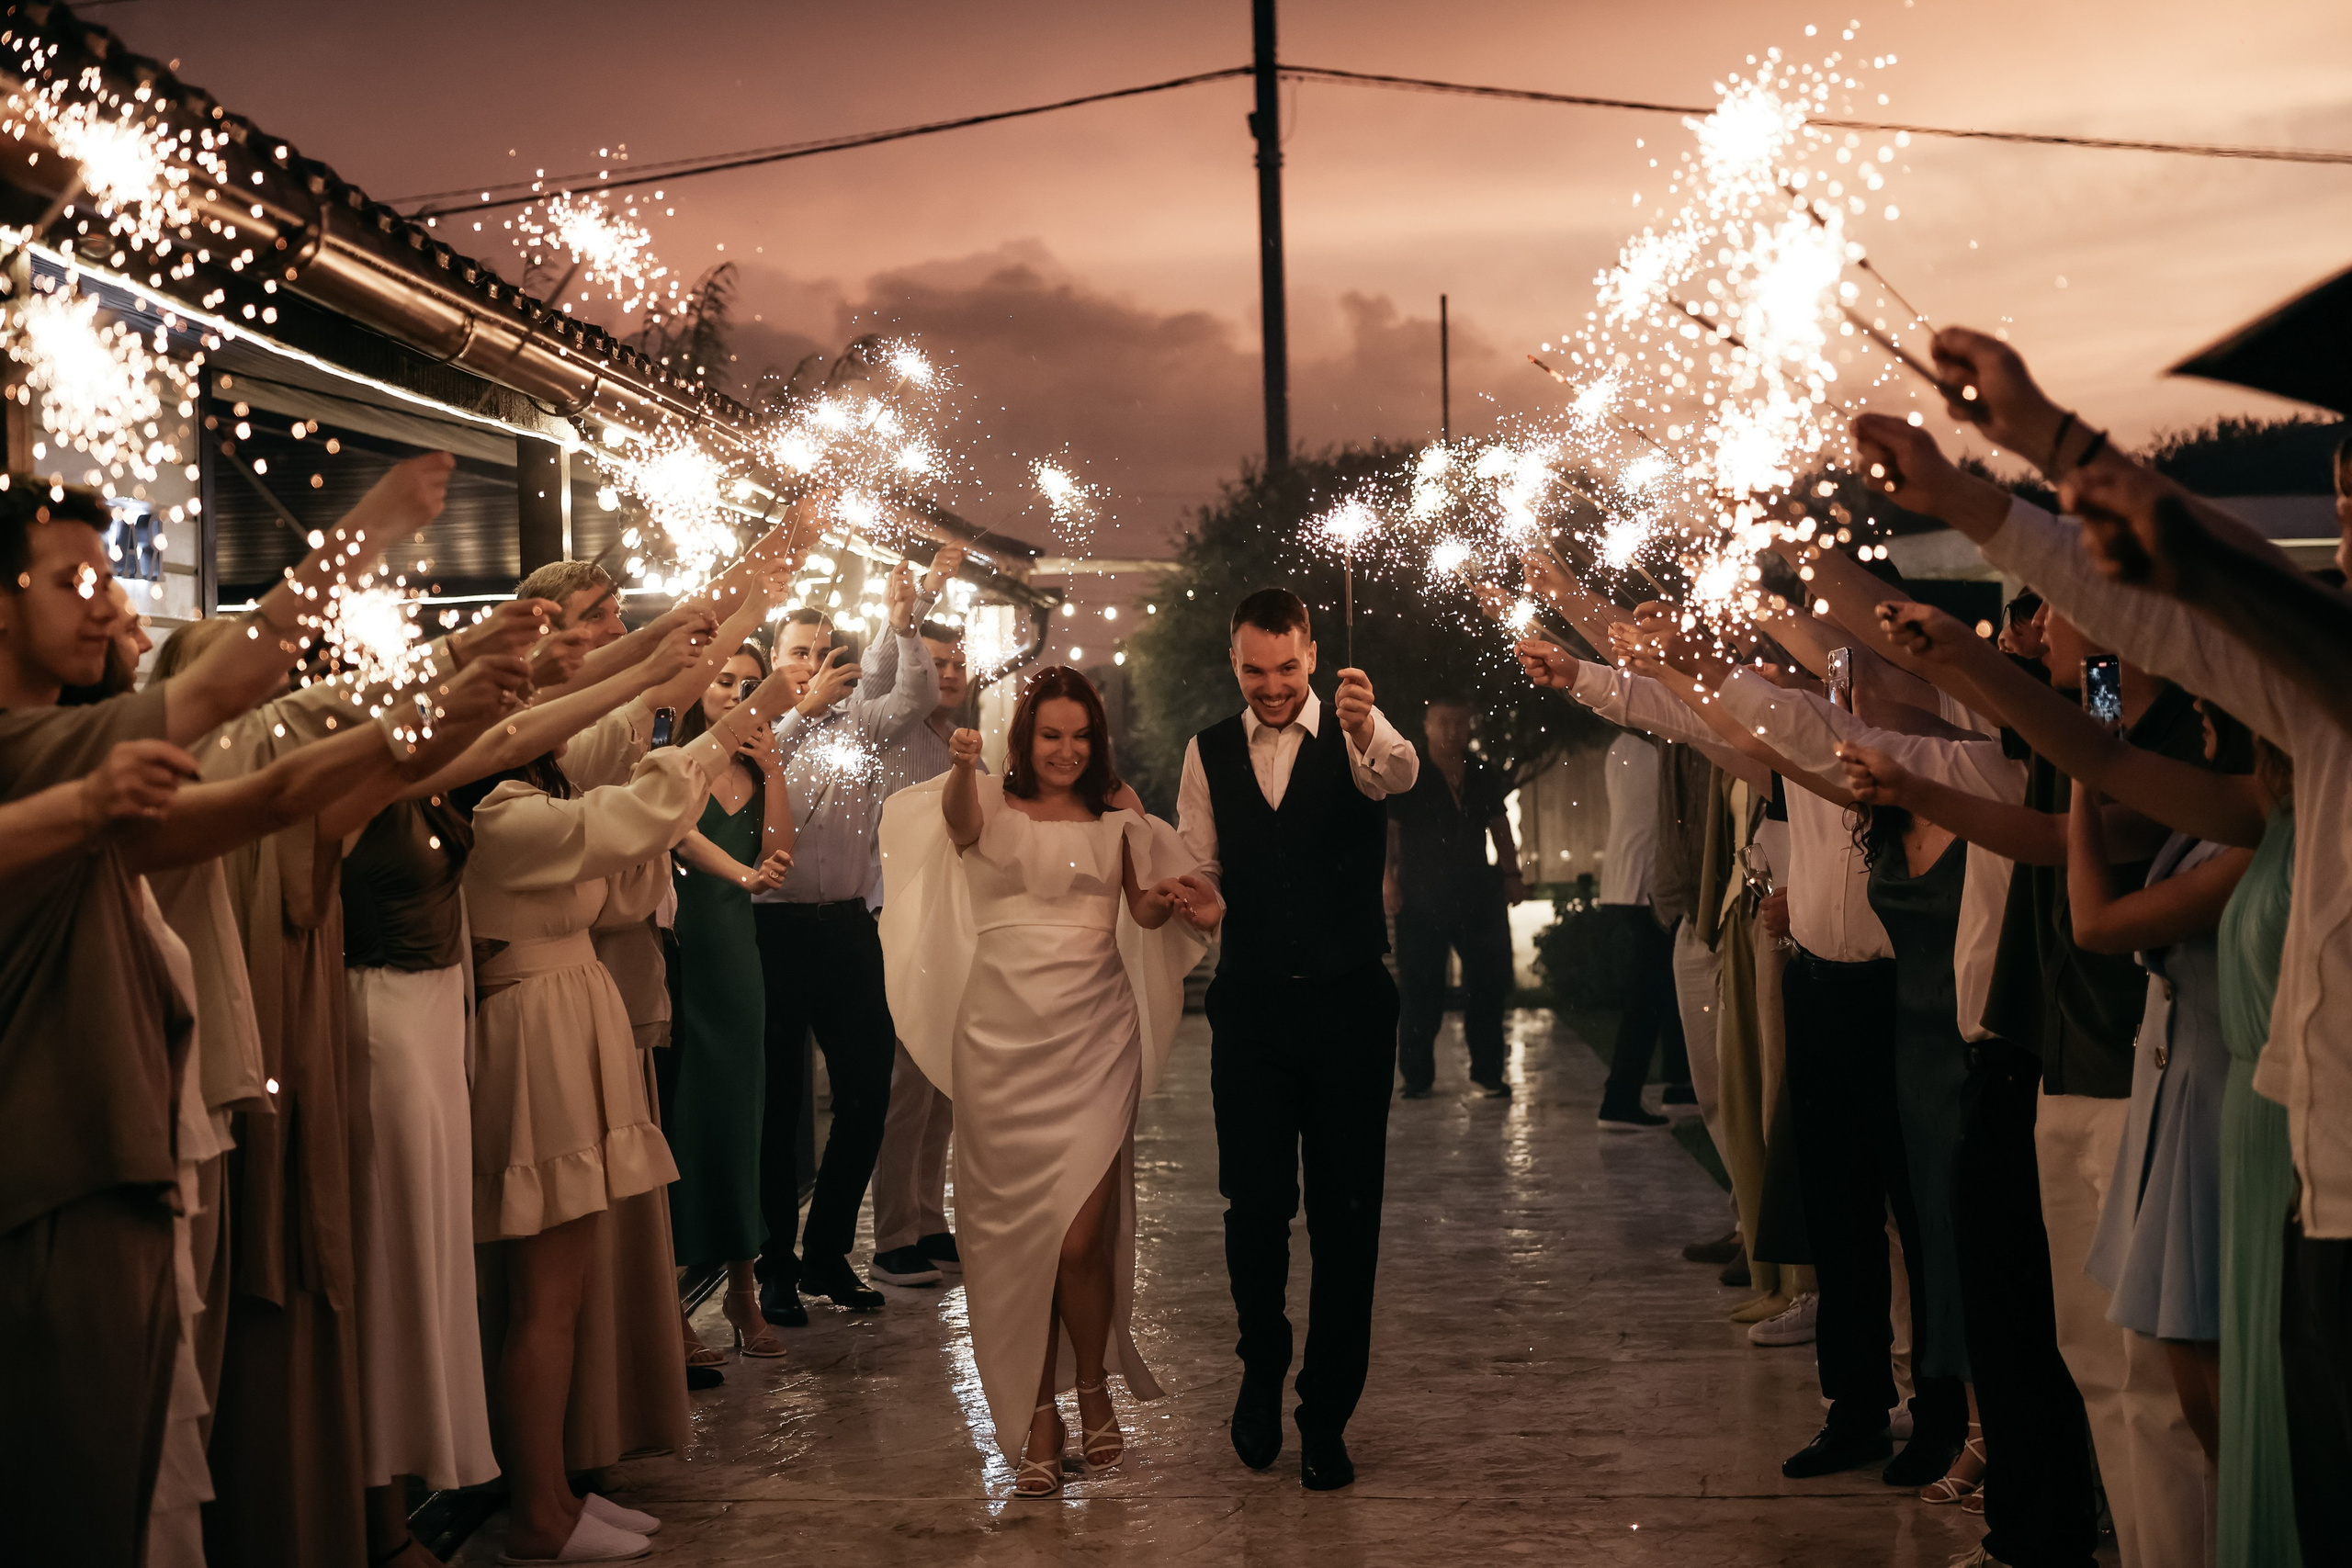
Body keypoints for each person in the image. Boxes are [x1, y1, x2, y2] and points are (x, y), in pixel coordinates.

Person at [1859, 354, 2352, 1565]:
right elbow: (2128, 729)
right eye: (2341, 514)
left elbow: (2218, 623)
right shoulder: (2308, 746)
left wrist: (2060, 446)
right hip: (2317, 1164)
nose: (2348, 540)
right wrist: (1982, 498)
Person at [460, 657, 793, 1565]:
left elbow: (632, 868)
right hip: (533, 1029)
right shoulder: (495, 809)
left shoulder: (541, 796)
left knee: (566, 1290)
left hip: (574, 1011)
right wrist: (723, 719)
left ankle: (558, 1491)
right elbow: (626, 817)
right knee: (542, 1294)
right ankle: (535, 1508)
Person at [878, 666, 1215, 1497]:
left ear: (1096, 741)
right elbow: (956, 827)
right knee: (1006, 1247)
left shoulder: (1119, 812)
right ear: (1024, 739)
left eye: (1081, 736)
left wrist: (1169, 904)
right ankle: (1035, 1416)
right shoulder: (987, 799)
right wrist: (962, 763)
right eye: (1051, 735)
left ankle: (1093, 1384)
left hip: (1097, 1038)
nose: (1067, 750)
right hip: (997, 1047)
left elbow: (1138, 907)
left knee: (1077, 1238)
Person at [1174, 587, 1418, 1490]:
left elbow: (1399, 775)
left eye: (1285, 668)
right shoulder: (1206, 752)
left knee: (1347, 1220)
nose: (1270, 686)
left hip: (1352, 1009)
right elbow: (1200, 864)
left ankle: (1325, 1415)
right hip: (1250, 1014)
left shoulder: (1356, 733)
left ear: (1309, 655)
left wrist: (1366, 724)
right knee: (1254, 1209)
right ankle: (1261, 1364)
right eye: (1253, 670)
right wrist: (1198, 902)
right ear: (1232, 663)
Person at [752, 562, 939, 1322]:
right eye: (799, 651)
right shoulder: (757, 729)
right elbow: (765, 800)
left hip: (848, 927)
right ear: (775, 660)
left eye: (826, 651)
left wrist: (903, 622)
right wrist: (801, 714)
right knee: (779, 1104)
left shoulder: (862, 716)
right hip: (772, 928)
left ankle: (827, 1252)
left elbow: (917, 695)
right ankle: (773, 1261)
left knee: (867, 1093)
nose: (813, 665)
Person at [666, 642, 795, 1357]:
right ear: (700, 691)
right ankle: (670, 1295)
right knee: (684, 1120)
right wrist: (748, 875)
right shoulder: (674, 764)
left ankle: (745, 1293)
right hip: (679, 958)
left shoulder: (756, 770)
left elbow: (781, 851)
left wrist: (774, 769)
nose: (740, 692)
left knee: (741, 1120)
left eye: (751, 683)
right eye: (726, 681)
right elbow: (678, 838)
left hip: (736, 962)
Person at [867, 544, 977, 1288]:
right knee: (907, 1085)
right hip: (897, 927)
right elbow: (897, 684)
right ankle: (891, 1232)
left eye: (956, 663)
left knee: (944, 1077)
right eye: (935, 663)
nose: (948, 672)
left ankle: (930, 1219)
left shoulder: (949, 742)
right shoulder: (897, 729)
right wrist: (919, 604)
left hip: (950, 928)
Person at [1384, 694, 1522, 1100]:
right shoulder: (1407, 772)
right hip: (1421, 894)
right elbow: (1389, 831)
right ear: (1426, 725)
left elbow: (1499, 826)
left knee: (1487, 983)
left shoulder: (1482, 772)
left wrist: (1512, 874)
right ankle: (1417, 1074)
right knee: (1420, 985)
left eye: (1460, 722)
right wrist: (1387, 880)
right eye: (1443, 722)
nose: (1451, 730)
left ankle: (1488, 1072)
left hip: (1478, 890)